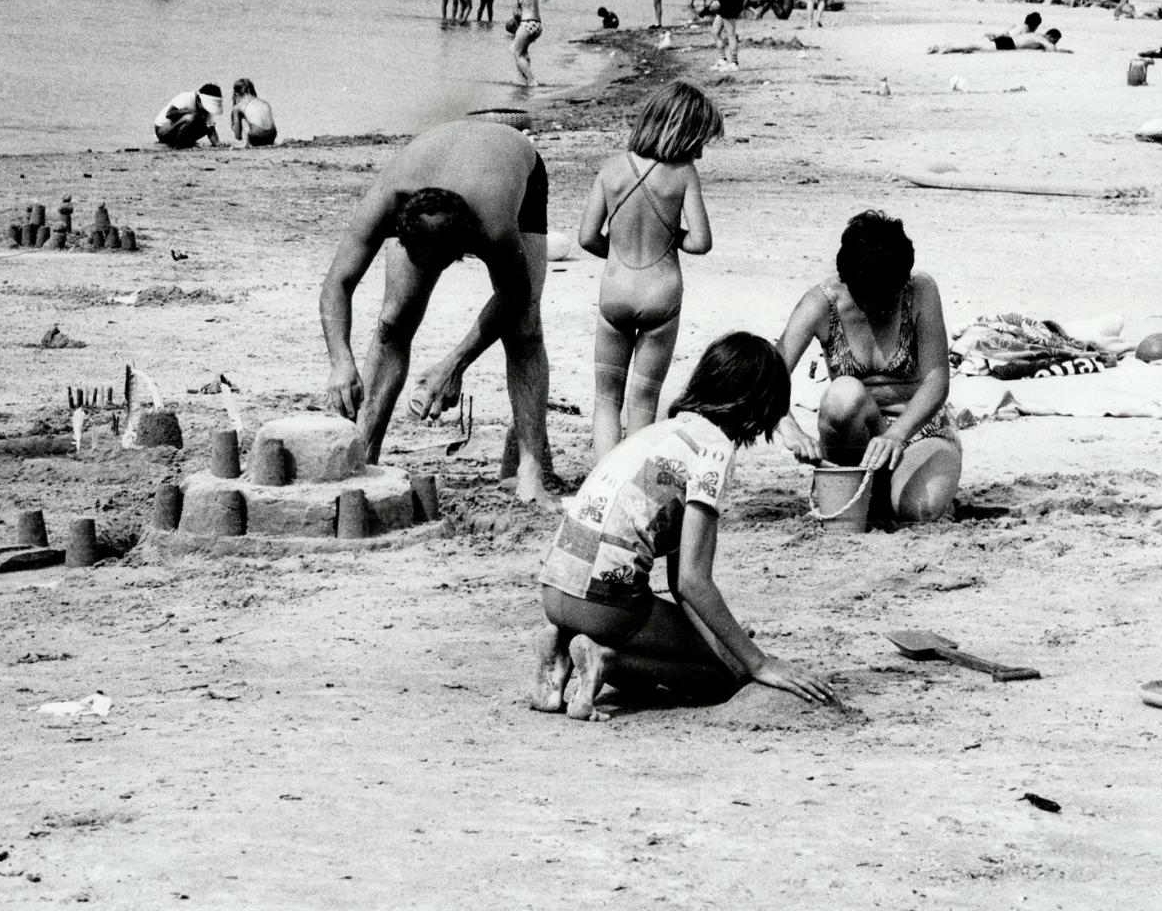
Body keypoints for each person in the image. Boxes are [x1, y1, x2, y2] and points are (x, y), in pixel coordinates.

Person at [531, 331, 838, 722]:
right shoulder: (714, 450)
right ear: (759, 405)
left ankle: (560, 651)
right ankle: (605, 657)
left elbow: (680, 583)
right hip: (604, 603)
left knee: (697, 659)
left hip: (556, 589)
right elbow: (693, 580)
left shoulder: (664, 431)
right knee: (722, 676)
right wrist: (755, 662)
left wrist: (718, 639)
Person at [319, 120, 554, 503]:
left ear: (464, 250)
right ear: (399, 231)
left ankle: (531, 473)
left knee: (525, 327)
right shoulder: (388, 199)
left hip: (513, 162)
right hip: (436, 157)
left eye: (441, 264)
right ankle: (364, 452)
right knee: (393, 322)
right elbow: (336, 284)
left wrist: (454, 365)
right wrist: (340, 361)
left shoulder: (492, 221)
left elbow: (514, 293)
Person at [775, 211, 961, 523]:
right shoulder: (822, 303)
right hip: (853, 437)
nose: (880, 307)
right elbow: (766, 376)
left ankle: (897, 490)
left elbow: (937, 381)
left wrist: (898, 434)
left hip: (919, 429)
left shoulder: (920, 292)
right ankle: (860, 490)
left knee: (919, 511)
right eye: (869, 298)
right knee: (843, 395)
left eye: (889, 296)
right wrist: (789, 427)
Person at [578, 82, 720, 461]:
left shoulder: (611, 169)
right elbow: (701, 242)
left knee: (606, 398)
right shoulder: (684, 174)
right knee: (643, 400)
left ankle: (601, 477)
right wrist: (670, 238)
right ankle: (628, 477)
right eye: (700, 141)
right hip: (661, 294)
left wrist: (619, 252)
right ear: (684, 134)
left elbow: (587, 237)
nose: (701, 153)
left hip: (616, 292)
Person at [497, 0, 542, 87]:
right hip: (538, 25)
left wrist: (518, 27)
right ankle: (524, 79)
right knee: (523, 52)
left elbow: (516, 13)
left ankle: (531, 80)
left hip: (526, 24)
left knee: (515, 51)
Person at [154, 84, 223, 147]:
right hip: (162, 130)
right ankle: (179, 145)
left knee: (205, 126)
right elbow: (169, 114)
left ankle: (185, 143)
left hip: (180, 131)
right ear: (199, 99)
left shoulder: (207, 110)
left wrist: (218, 144)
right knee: (191, 117)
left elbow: (211, 129)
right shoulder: (186, 98)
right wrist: (190, 112)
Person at [927, 27, 1065, 54]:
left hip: (1007, 40)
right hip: (1008, 44)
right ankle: (948, 48)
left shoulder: (1035, 35)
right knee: (976, 47)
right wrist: (1062, 51)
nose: (1055, 43)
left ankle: (943, 46)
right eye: (1055, 40)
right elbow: (1051, 49)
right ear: (1051, 37)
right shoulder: (1040, 38)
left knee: (976, 45)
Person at [229, 79, 276, 147]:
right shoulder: (264, 102)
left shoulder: (238, 107)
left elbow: (237, 136)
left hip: (256, 136)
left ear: (236, 94)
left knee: (244, 120)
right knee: (251, 118)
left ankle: (245, 144)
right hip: (272, 136)